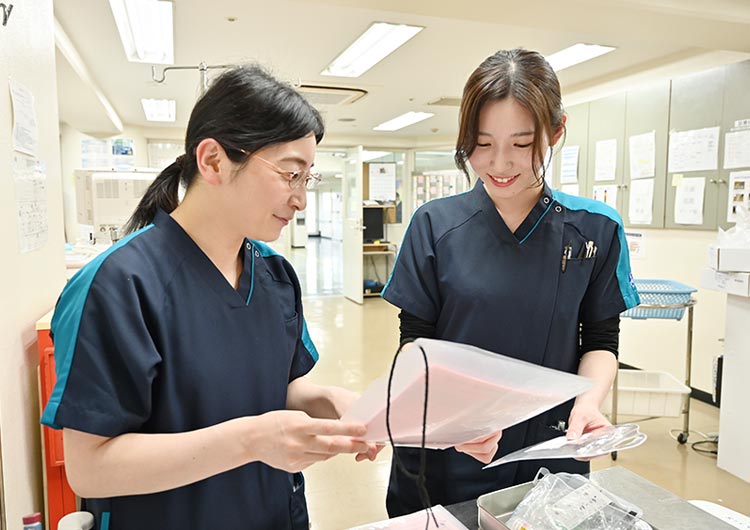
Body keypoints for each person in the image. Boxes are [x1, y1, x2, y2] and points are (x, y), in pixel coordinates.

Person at [41, 65, 379, 530]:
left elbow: (273, 385)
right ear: (214, 161)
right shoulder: (120, 285)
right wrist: (252, 440)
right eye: (290, 174)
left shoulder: (274, 275)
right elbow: (91, 467)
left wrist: (326, 400)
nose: (301, 199)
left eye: (308, 178)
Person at [381, 48, 640, 515]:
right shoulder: (435, 225)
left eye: (522, 144)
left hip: (550, 449)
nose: (499, 163)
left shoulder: (596, 229)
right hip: (446, 453)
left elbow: (601, 340)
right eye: (481, 144)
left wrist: (588, 403)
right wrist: (450, 421)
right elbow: (414, 343)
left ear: (556, 131)